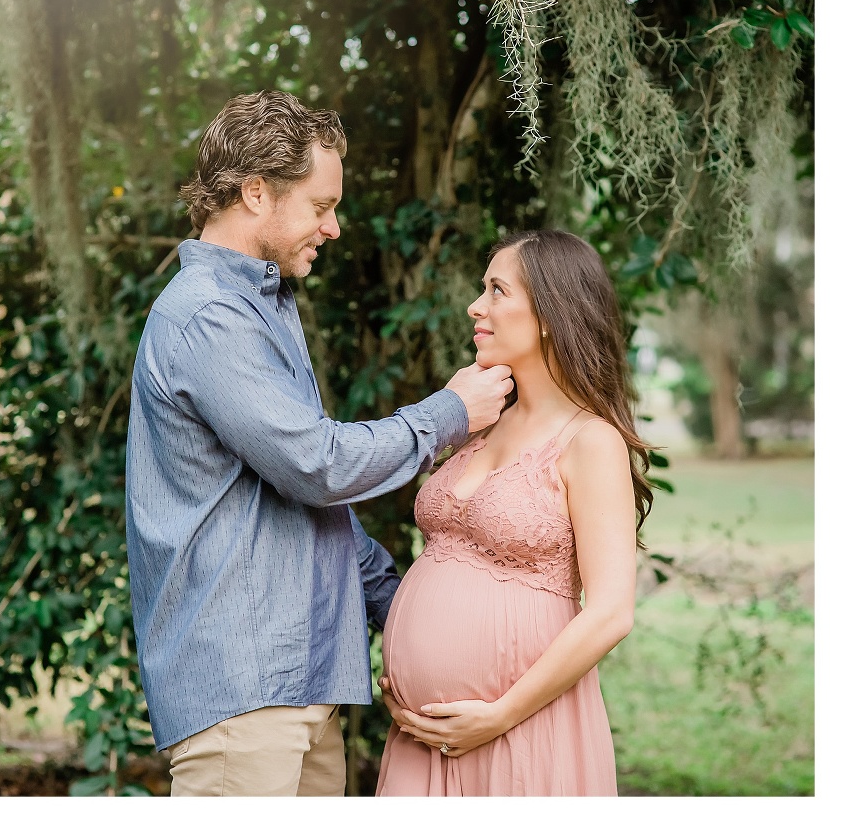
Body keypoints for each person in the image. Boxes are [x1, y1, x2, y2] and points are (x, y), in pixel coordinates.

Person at [124, 90, 514, 797]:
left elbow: (305, 505)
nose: (333, 228)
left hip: (300, 687)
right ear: (253, 193)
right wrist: (451, 411)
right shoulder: (209, 314)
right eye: (319, 206)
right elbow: (318, 464)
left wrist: (404, 608)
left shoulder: (263, 305)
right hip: (242, 697)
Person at [375, 229, 655, 796]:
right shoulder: (480, 421)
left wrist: (499, 714)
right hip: (421, 737)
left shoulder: (590, 442)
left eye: (497, 290)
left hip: (520, 729)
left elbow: (610, 613)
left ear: (551, 314)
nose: (476, 306)